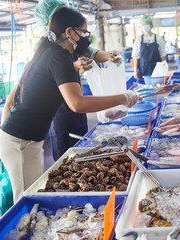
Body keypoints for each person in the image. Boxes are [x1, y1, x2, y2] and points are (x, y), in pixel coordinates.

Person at [0, 6, 141, 203]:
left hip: (33, 141)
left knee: (34, 196)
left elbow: (90, 55)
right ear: (69, 32)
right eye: (83, 32)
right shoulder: (57, 56)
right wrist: (123, 97)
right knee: (23, 200)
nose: (85, 37)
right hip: (15, 141)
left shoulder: (51, 52)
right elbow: (77, 103)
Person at [35, 0, 122, 160]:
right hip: (59, 107)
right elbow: (54, 72)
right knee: (65, 154)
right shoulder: (49, 49)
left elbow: (91, 51)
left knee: (82, 146)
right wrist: (75, 65)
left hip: (77, 99)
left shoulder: (72, 38)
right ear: (50, 20)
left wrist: (108, 55)